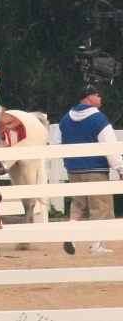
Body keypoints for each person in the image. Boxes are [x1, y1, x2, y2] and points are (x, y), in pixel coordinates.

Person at [51, 84, 123, 255]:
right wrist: (120, 168)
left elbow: (55, 145)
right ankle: (96, 245)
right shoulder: (99, 119)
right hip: (95, 169)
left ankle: (71, 232)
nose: (100, 99)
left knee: (78, 204)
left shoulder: (66, 119)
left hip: (73, 170)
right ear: (89, 97)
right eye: (98, 95)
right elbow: (110, 147)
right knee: (100, 206)